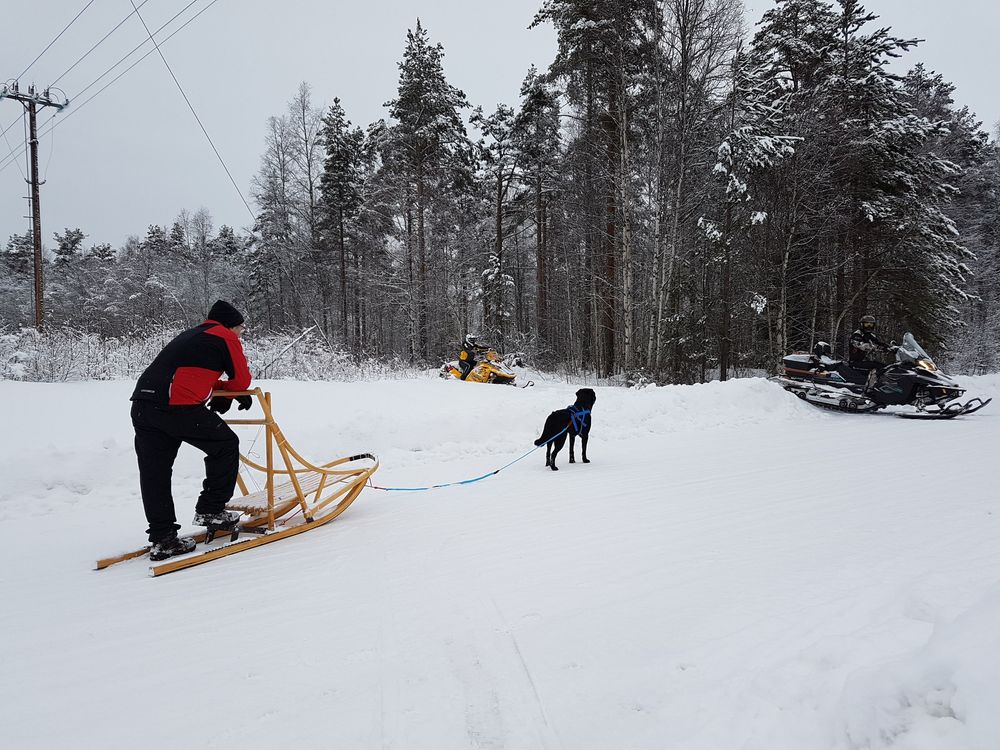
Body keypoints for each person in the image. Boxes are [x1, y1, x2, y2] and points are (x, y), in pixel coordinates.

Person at [130, 300, 253, 561]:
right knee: (225, 445)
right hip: (176, 407)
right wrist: (231, 392)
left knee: (155, 473)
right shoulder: (224, 336)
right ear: (231, 325)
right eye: (241, 328)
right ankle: (211, 510)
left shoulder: (190, 335)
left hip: (143, 405)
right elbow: (242, 380)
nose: (242, 333)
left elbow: (185, 372)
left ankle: (163, 539)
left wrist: (218, 390)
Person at [849, 314, 894, 387]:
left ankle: (882, 386)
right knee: (877, 367)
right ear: (862, 324)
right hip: (855, 362)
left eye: (871, 324)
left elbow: (878, 343)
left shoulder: (870, 335)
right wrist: (878, 348)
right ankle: (873, 387)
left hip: (864, 361)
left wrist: (890, 347)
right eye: (867, 324)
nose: (869, 326)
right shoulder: (857, 335)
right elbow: (862, 346)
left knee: (885, 367)